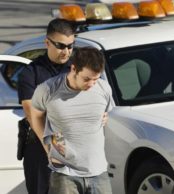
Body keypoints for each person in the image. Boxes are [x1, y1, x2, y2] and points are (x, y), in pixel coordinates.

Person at [31, 47, 114, 194]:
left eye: (95, 78)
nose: (91, 84)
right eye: (87, 79)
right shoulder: (48, 89)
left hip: (98, 171)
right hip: (64, 172)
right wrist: (48, 146)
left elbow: (105, 114)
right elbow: (36, 115)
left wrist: (104, 117)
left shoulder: (103, 88)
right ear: (74, 68)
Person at [17, 18, 75, 194]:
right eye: (61, 45)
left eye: (70, 46)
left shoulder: (78, 70)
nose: (66, 51)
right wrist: (52, 149)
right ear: (47, 43)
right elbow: (32, 114)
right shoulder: (30, 73)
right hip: (41, 148)